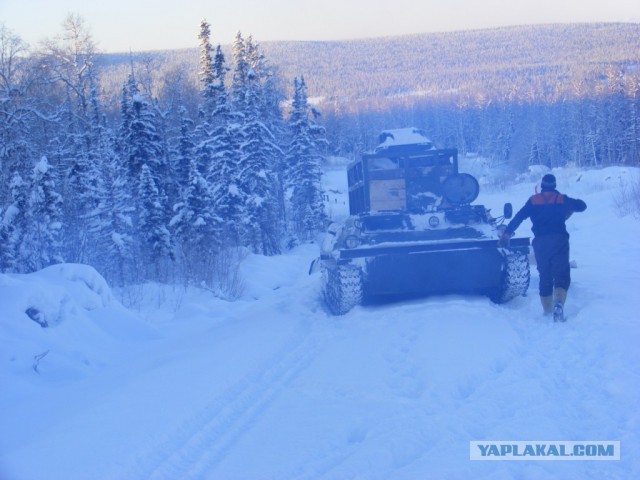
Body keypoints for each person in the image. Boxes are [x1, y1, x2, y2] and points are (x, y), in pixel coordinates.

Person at [501, 174, 587, 321]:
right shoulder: (561, 199)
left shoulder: (533, 200)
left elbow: (519, 217)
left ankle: (547, 310)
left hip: (541, 243)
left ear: (542, 186)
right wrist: (569, 207)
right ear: (554, 185)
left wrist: (507, 234)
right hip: (559, 240)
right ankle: (558, 303)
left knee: (545, 274)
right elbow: (582, 206)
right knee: (562, 274)